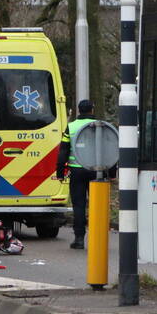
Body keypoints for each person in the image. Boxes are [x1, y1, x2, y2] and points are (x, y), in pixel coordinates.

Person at [55, 99, 98, 249]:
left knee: (79, 205)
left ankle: (79, 239)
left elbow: (63, 151)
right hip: (96, 171)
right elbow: (108, 150)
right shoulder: (100, 126)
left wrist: (60, 172)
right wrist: (111, 172)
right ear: (92, 110)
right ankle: (98, 239)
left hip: (77, 171)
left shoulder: (71, 127)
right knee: (97, 205)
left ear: (79, 111)